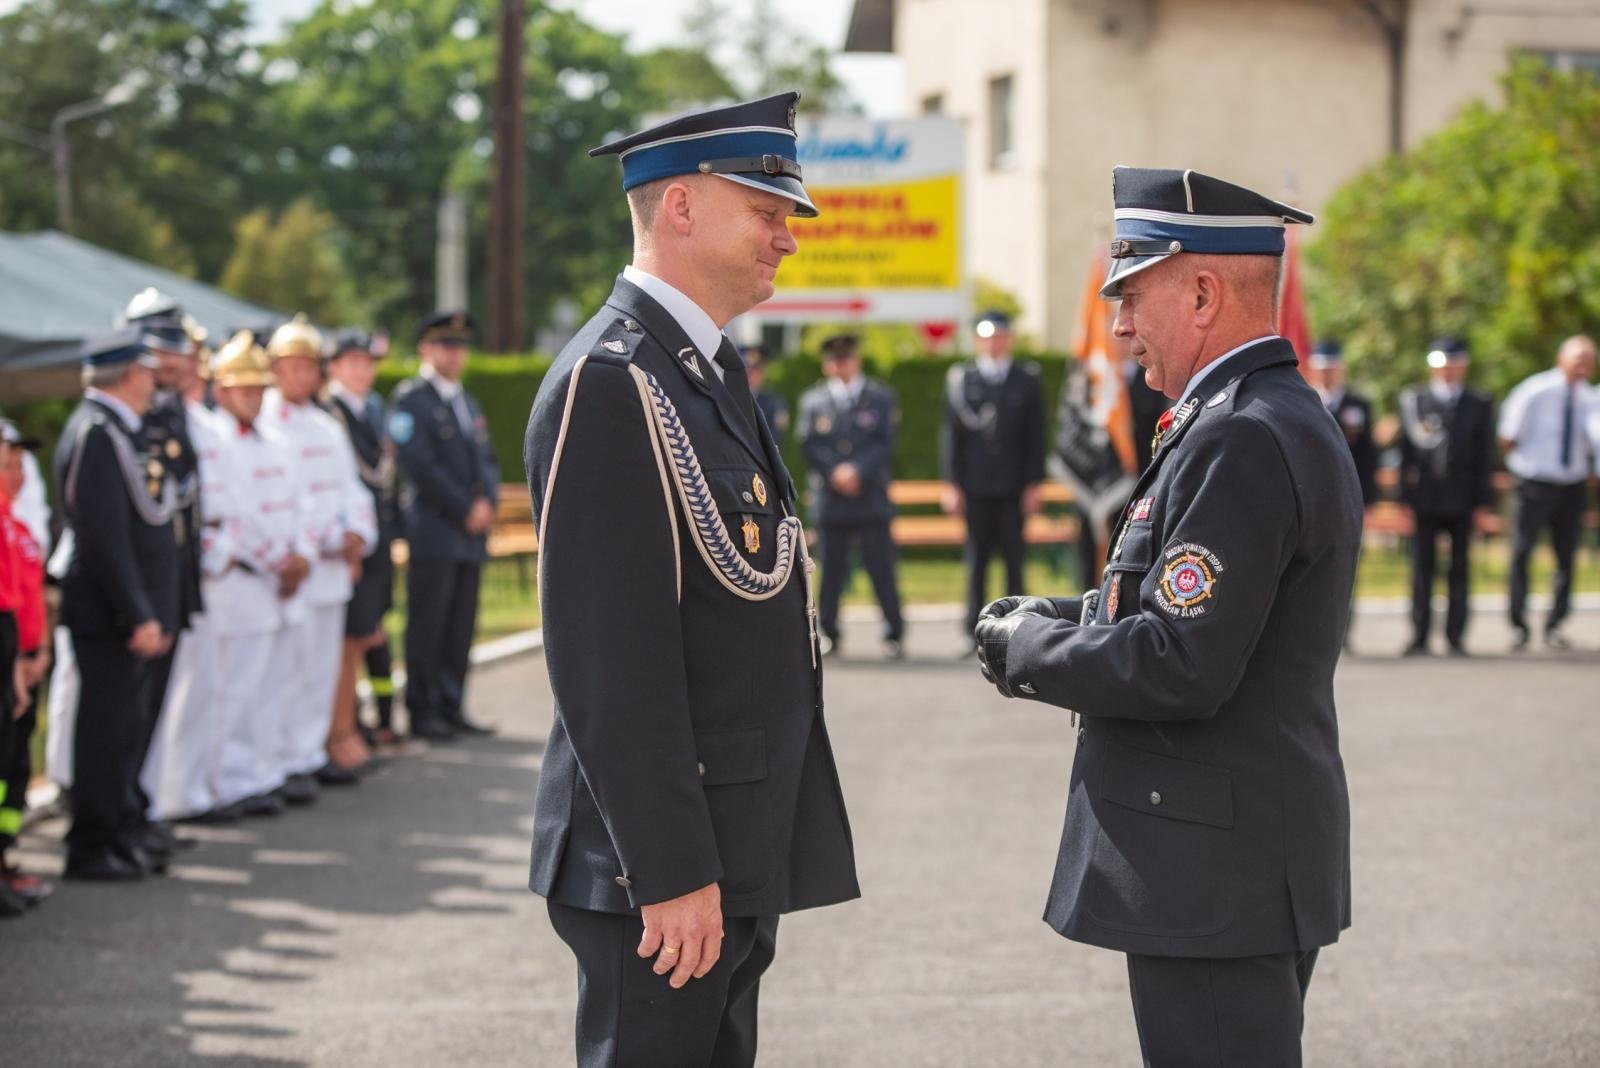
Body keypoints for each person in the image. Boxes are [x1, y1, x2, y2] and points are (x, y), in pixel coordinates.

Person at [972, 167, 1362, 1066]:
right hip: (1229, 861)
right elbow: (1184, 609)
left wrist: (1032, 650)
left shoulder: (1240, 433)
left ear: (1200, 290)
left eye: (1131, 295)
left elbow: (1182, 662)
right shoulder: (1256, 416)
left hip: (1215, 872)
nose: (1117, 326)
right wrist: (1062, 612)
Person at [522, 91, 859, 1066]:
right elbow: (605, 659)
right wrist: (667, 870)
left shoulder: (700, 370)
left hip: (728, 837)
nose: (785, 239)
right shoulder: (614, 378)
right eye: (766, 212)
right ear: (678, 208)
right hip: (656, 866)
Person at [53, 328, 180, 880]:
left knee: (125, 727)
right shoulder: (96, 434)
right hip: (108, 615)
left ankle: (120, 827)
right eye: (150, 372)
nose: (156, 381)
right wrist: (139, 612)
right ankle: (92, 844)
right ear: (129, 374)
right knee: (104, 732)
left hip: (124, 612)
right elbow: (104, 539)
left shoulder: (117, 431)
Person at [262, 316, 374, 796]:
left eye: (310, 367)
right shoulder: (265, 423)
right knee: (282, 673)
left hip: (329, 572)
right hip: (292, 570)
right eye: (294, 367)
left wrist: (355, 533)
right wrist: (324, 541)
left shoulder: (327, 425)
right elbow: (283, 500)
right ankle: (278, 761)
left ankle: (309, 754)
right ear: (275, 369)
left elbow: (353, 490)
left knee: (319, 670)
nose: (303, 377)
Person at [201, 331, 311, 820]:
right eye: (242, 388)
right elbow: (235, 515)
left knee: (271, 684)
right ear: (221, 391)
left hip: (275, 583)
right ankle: (228, 781)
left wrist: (299, 555)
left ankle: (259, 773)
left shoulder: (278, 440)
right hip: (239, 581)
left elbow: (297, 503)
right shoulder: (215, 440)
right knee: (234, 691)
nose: (252, 396)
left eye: (257, 388)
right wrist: (277, 562)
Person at [389, 312, 498, 741]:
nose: (455, 354)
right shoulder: (411, 399)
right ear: (425, 349)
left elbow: (485, 461)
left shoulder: (465, 400)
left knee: (459, 626)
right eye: (446, 345)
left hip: (468, 535)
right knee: (428, 625)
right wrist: (463, 508)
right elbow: (420, 467)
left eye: (460, 346)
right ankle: (423, 710)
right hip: (435, 531)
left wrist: (486, 502)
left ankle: (451, 706)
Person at [942, 309, 1045, 650]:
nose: (994, 343)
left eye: (1000, 336)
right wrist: (952, 484)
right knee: (977, 563)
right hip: (975, 487)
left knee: (1015, 562)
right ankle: (972, 632)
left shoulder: (1026, 378)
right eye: (987, 337)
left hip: (1013, 487)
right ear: (977, 340)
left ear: (1009, 339)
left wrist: (1033, 484)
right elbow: (951, 437)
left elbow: (1035, 438)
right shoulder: (962, 379)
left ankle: (1018, 630)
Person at [797, 333, 905, 658]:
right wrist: (836, 472)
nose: (839, 365)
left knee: (881, 567)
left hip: (869, 496)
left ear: (855, 360)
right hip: (832, 499)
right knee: (831, 570)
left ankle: (893, 632)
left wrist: (857, 471)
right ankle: (829, 632)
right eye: (833, 359)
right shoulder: (813, 401)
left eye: (844, 358)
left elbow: (885, 442)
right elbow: (808, 443)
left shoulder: (879, 398)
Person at [323, 329, 397, 770]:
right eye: (351, 362)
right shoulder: (331, 413)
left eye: (366, 362)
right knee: (346, 643)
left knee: (365, 635)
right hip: (349, 546)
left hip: (373, 539)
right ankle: (340, 733)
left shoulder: (369, 411)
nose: (361, 370)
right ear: (333, 367)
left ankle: (353, 729)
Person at [1396, 337, 1497, 656]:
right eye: (1443, 364)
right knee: (1422, 569)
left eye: (1454, 363)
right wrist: (1404, 500)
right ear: (1432, 366)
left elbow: (1485, 457)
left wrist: (1484, 503)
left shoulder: (1479, 403)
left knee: (1459, 569)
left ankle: (1455, 635)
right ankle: (1420, 634)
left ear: (1463, 365)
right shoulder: (1416, 401)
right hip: (1425, 499)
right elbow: (1406, 456)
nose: (1449, 370)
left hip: (1463, 500)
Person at [1498, 335, 1597, 650]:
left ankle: (1555, 623)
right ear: (1561, 358)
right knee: (1522, 551)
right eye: (1577, 359)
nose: (1582, 366)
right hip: (1535, 483)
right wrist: (1527, 464)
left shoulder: (1591, 398)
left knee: (1566, 556)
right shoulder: (1535, 391)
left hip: (1572, 485)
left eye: (1588, 360)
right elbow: (1508, 436)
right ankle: (1519, 623)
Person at [0, 421, 52, 906]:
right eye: (6, 464)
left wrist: (41, 651)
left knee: (14, 766)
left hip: (24, 654)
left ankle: (5, 855)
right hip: (10, 656)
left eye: (19, 465)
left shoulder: (16, 526)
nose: (16, 474)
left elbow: (32, 597)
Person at [1308, 340, 1379, 648]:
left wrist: (1370, 500)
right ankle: (1311, 631)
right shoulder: (1304, 399)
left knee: (1345, 566)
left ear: (1342, 369)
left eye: (1332, 368)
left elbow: (1368, 456)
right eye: (1322, 368)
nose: (1327, 374)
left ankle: (1342, 632)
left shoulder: (1358, 405)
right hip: (1310, 497)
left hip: (1347, 497)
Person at [744, 343, 790, 448]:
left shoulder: (776, 402)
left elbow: (776, 436)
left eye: (755, 370)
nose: (750, 374)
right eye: (747, 369)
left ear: (762, 373)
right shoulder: (730, 397)